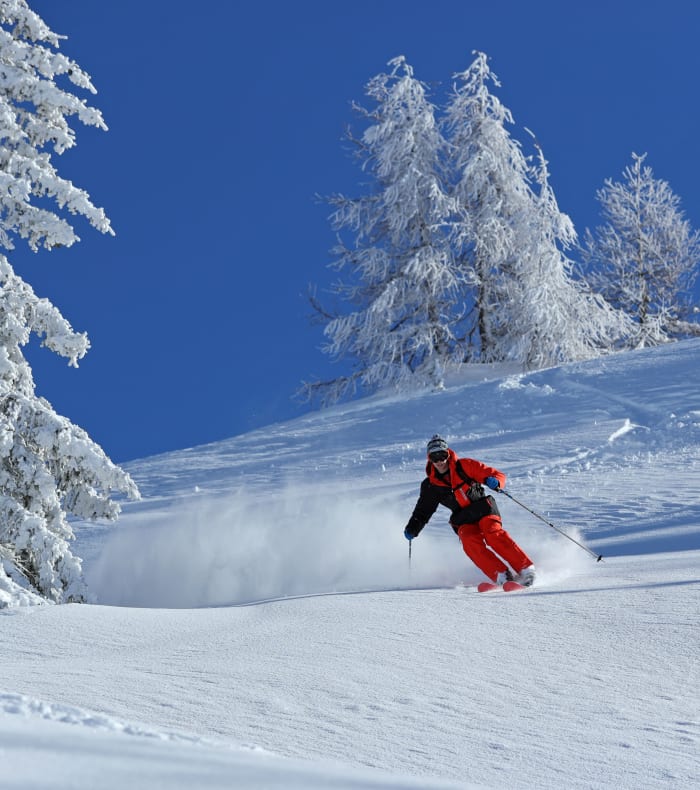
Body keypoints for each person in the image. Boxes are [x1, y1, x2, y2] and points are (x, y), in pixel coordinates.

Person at [403, 435, 536, 586]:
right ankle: (502, 575)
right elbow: (423, 511)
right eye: (435, 457)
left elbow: (496, 475)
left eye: (442, 455)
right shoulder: (430, 486)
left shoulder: (464, 466)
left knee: (493, 533)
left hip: (483, 509)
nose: (440, 461)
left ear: (448, 454)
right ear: (429, 459)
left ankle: (526, 569)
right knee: (469, 541)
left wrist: (495, 481)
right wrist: (413, 528)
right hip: (463, 518)